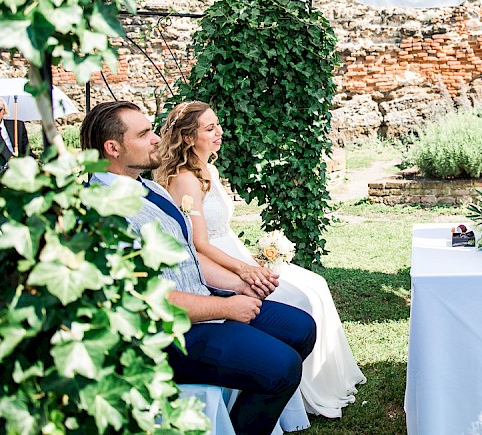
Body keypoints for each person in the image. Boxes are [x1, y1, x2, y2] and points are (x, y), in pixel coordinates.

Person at [80, 100, 317, 435]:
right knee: (282, 366)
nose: (155, 139)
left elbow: (187, 255)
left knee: (301, 328)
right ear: (113, 148)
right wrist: (226, 307)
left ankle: (241, 419)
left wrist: (239, 284)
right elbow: (143, 298)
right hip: (167, 336)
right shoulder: (104, 214)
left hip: (203, 300)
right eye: (145, 133)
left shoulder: (146, 187)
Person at [154, 101, 366, 419]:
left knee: (315, 285)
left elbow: (220, 227)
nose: (219, 132)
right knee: (298, 299)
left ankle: (297, 388)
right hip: (219, 263)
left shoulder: (208, 169)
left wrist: (252, 257)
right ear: (187, 138)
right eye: (209, 128)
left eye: (217, 124)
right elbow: (198, 243)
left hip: (234, 253)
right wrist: (243, 269)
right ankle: (282, 387)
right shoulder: (185, 180)